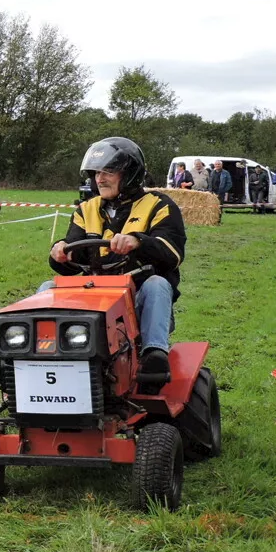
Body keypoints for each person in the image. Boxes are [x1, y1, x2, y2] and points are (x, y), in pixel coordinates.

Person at [48, 137, 185, 390]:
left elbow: (172, 254)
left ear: (131, 174)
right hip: (95, 292)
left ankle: (154, 355)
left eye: (109, 171)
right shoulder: (85, 210)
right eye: (97, 173)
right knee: (48, 287)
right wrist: (60, 253)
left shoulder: (159, 206)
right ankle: (34, 354)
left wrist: (138, 242)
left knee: (157, 283)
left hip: (138, 296)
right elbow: (72, 256)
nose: (100, 179)